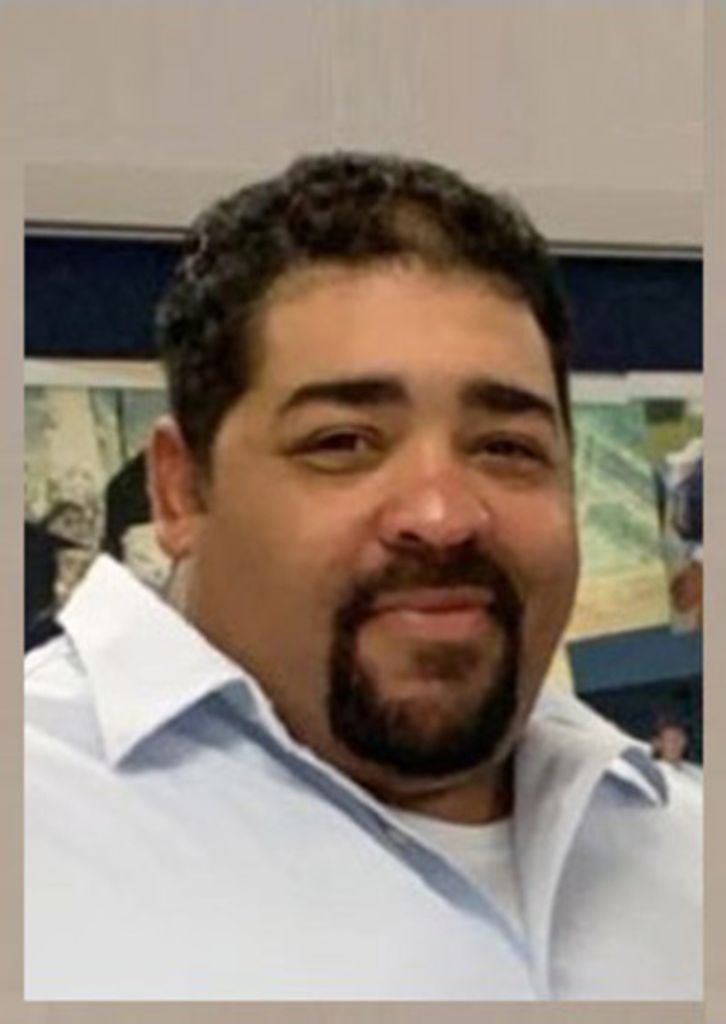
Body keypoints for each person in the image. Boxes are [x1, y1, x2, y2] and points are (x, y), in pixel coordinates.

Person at [25, 152, 701, 1001]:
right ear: (181, 490)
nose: (442, 515)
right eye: (342, 443)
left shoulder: (682, 849)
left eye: (506, 447)